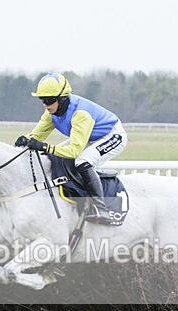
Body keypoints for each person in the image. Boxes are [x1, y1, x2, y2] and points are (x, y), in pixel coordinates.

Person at [15, 73, 128, 223]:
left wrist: (44, 146)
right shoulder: (51, 112)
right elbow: (37, 135)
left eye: (49, 100)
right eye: (42, 100)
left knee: (82, 161)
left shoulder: (80, 114)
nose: (45, 105)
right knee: (54, 156)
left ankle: (102, 209)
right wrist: (27, 140)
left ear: (61, 99)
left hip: (112, 135)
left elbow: (74, 151)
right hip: (89, 136)